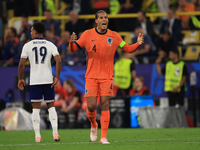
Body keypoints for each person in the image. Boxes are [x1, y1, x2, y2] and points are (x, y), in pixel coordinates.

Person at [69, 10, 144, 144]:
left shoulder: (114, 36)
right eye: (101, 18)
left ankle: (103, 137)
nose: (104, 20)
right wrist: (71, 43)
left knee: (105, 104)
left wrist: (137, 43)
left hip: (107, 77)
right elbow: (74, 49)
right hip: (91, 76)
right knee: (91, 107)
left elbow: (127, 48)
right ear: (96, 21)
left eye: (106, 18)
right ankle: (93, 125)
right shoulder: (87, 34)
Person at [18, 22, 62, 142]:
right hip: (48, 79)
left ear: (36, 32)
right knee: (51, 107)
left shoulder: (27, 45)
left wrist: (20, 78)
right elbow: (58, 61)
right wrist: (57, 77)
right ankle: (55, 134)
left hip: (35, 80)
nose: (31, 32)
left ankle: (37, 136)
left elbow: (22, 63)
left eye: (32, 30)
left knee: (36, 109)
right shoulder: (50, 45)